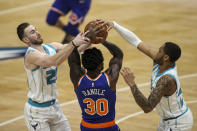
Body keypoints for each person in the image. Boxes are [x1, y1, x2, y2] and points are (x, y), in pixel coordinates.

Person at [101, 20, 193, 131]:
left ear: (166, 57)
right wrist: (115, 25)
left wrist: (132, 84)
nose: (156, 52)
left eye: (159, 51)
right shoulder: (161, 61)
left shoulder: (166, 80)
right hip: (167, 120)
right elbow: (136, 41)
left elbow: (147, 107)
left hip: (178, 123)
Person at [16, 22, 91, 131]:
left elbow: (74, 51)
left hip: (54, 107)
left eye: (36, 29)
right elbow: (52, 61)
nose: (37, 33)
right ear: (26, 40)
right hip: (37, 112)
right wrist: (74, 43)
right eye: (32, 32)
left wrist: (89, 39)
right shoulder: (31, 55)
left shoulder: (53, 46)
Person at [68, 40, 123, 130]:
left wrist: (76, 41)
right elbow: (118, 55)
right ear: (101, 66)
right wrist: (102, 40)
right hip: (108, 127)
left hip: (87, 127)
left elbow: (73, 58)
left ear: (84, 65)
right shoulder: (110, 78)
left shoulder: (78, 79)